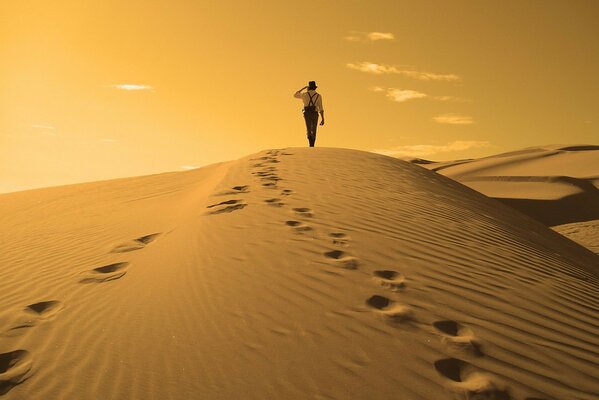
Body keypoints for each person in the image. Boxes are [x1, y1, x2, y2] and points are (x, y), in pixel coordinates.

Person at [294, 81, 324, 147]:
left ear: (309, 87)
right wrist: (323, 118)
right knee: (314, 128)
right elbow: (321, 108)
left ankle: (310, 141)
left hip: (307, 113)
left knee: (308, 128)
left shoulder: (304, 94)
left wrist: (303, 88)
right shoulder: (318, 96)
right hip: (315, 113)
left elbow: (295, 95)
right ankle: (312, 143)